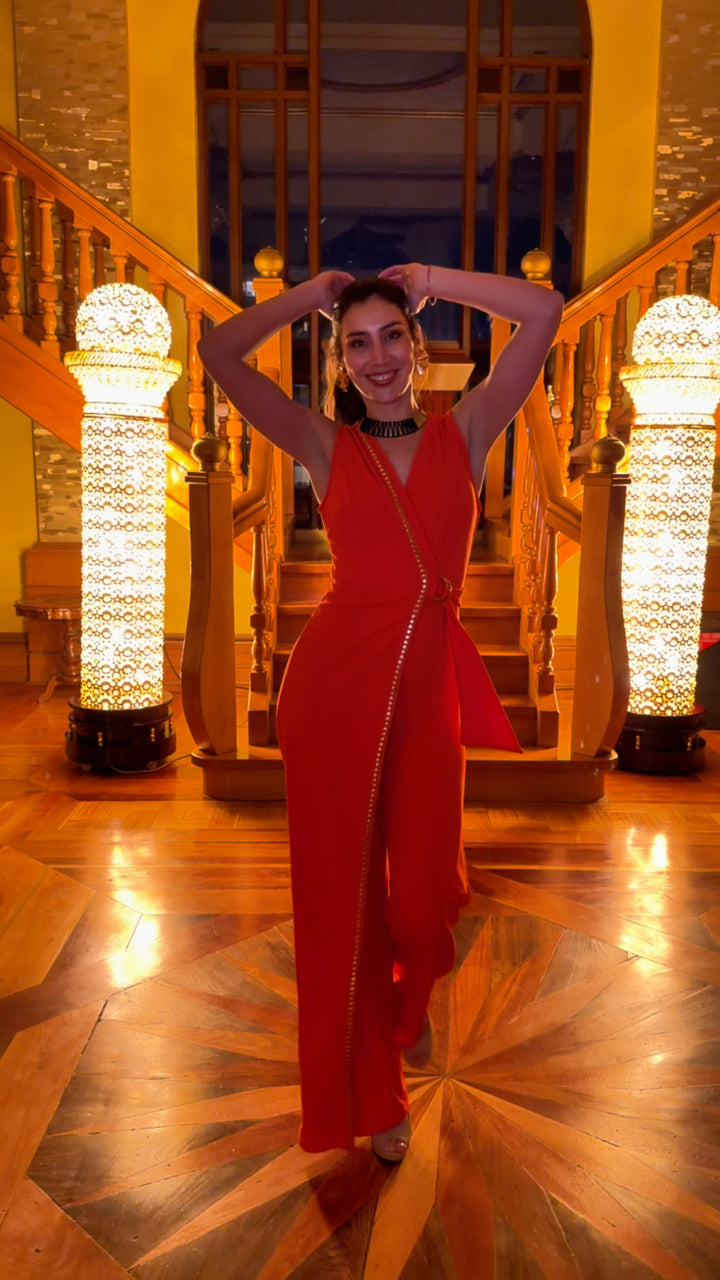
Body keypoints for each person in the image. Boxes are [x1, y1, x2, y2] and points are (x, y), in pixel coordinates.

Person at [198, 263, 562, 1161]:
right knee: (342, 908)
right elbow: (220, 352)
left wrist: (432, 278)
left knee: (425, 905)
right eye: (356, 343)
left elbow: (545, 309)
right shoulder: (324, 445)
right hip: (333, 693)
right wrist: (309, 297)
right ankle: (377, 1101)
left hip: (428, 686)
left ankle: (411, 999)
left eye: (391, 335)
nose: (378, 357)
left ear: (417, 344)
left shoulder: (466, 429)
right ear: (341, 362)